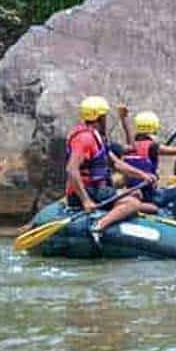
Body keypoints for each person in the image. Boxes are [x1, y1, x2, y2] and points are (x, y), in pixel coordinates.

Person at [65, 96, 146, 242]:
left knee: (136, 193)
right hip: (87, 192)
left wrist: (143, 176)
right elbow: (71, 169)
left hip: (97, 189)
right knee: (133, 203)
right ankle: (99, 226)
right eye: (105, 116)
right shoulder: (84, 139)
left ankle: (108, 214)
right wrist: (86, 201)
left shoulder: (96, 137)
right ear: (100, 117)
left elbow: (117, 164)